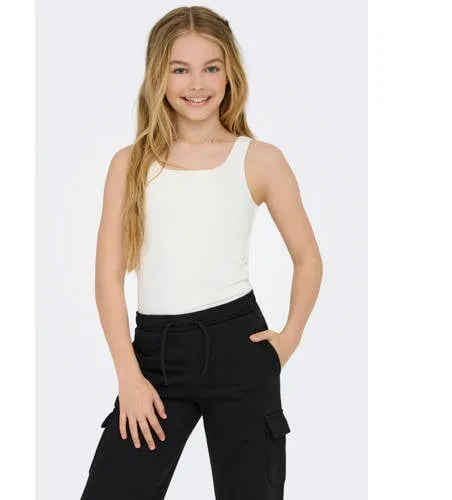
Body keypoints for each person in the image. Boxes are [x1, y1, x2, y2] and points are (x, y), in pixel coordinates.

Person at [80, 5, 323, 499]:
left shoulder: (259, 160)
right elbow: (107, 279)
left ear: (230, 73)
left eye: (211, 67)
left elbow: (308, 259)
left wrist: (288, 340)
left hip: (238, 346)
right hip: (155, 357)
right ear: (158, 75)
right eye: (180, 69)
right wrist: (128, 376)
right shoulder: (130, 164)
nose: (197, 84)